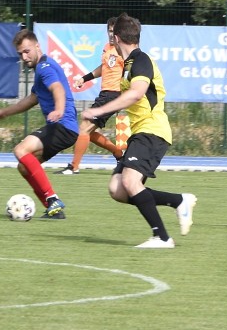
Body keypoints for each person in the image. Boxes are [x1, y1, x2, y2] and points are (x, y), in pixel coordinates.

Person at [82, 12, 196, 248]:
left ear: (115, 37)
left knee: (131, 181)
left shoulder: (140, 60)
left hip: (152, 130)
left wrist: (97, 112)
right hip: (141, 132)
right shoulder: (128, 63)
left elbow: (136, 93)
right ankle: (178, 201)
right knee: (118, 189)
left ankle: (162, 237)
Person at [0, 29, 78, 219]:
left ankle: (52, 198)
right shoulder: (41, 70)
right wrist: (4, 113)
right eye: (20, 53)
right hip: (65, 129)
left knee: (20, 150)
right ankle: (54, 210)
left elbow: (58, 89)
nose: (24, 56)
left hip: (62, 125)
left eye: (27, 51)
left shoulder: (45, 68)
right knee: (24, 166)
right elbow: (30, 100)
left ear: (38, 46)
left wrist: (59, 110)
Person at [55, 17, 124, 175]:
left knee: (84, 128)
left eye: (115, 32)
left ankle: (74, 167)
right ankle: (118, 153)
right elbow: (104, 68)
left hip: (113, 95)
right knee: (89, 132)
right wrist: (84, 79)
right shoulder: (107, 47)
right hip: (105, 94)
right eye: (110, 31)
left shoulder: (123, 50)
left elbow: (132, 69)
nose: (111, 35)